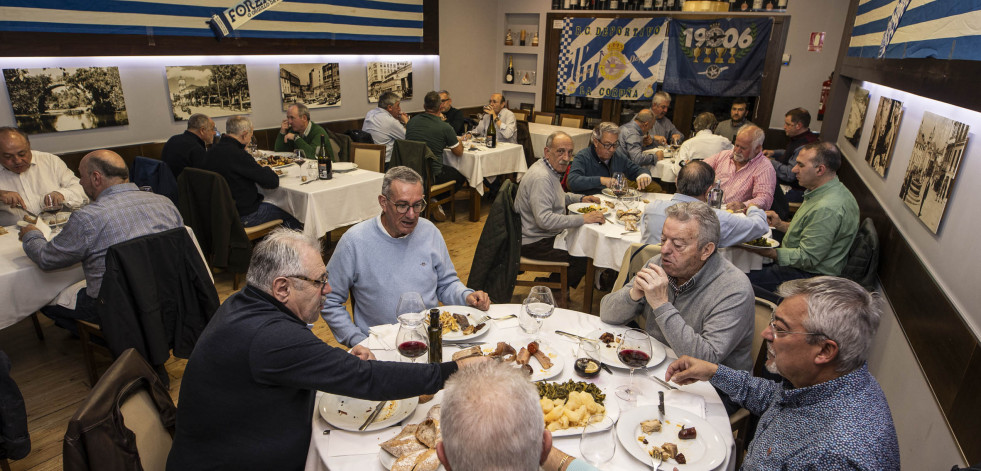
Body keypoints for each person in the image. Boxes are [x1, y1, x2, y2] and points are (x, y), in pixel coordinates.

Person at [166, 228, 486, 471]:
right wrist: (452, 370)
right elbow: (364, 379)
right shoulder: (269, 336)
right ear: (282, 287)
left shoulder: (245, 302)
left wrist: (329, 363)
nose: (329, 290)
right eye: (320, 281)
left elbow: (304, 363)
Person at [665, 276, 899, 470]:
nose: (766, 333)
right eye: (772, 323)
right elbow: (773, 397)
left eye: (780, 329)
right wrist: (714, 372)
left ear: (825, 350)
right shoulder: (830, 382)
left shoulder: (835, 454)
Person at [321, 166, 490, 347]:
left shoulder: (429, 232)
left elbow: (447, 284)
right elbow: (328, 300)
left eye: (417, 205)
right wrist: (358, 341)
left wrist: (466, 296)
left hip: (430, 339)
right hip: (381, 346)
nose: (411, 215)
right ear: (383, 202)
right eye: (402, 205)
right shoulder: (354, 242)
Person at [18, 150, 183, 334]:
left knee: (44, 299)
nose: (80, 182)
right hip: (167, 293)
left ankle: (114, 338)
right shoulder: (165, 203)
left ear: (96, 178)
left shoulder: (87, 218)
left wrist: (31, 235)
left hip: (115, 305)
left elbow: (47, 259)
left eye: (81, 176)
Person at [601, 201, 755, 372]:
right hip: (655, 367)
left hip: (708, 390)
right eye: (663, 239)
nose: (664, 250)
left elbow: (706, 360)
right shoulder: (659, 264)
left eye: (678, 245)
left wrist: (661, 305)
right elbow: (607, 314)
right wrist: (634, 293)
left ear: (706, 250)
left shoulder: (733, 289)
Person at [743, 142, 859, 299]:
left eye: (800, 165)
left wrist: (767, 252)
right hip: (801, 266)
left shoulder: (827, 207)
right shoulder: (824, 191)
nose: (794, 169)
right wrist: (781, 225)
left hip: (808, 277)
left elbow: (808, 258)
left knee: (738, 281)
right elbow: (813, 231)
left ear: (820, 170)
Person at [438, 360, 600, 471]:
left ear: (443, 457)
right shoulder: (544, 447)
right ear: (545, 448)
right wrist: (533, 445)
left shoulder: (444, 457)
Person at [515, 131, 604, 289]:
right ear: (547, 152)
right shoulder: (541, 178)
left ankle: (552, 284)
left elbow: (557, 196)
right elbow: (545, 220)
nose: (566, 157)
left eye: (570, 152)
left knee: (582, 243)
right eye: (560, 151)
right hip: (533, 242)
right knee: (585, 255)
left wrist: (580, 198)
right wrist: (584, 219)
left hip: (540, 236)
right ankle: (552, 288)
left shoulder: (547, 168)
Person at [204, 115, 301, 229]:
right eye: (251, 135)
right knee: (294, 214)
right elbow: (272, 182)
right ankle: (292, 246)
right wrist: (266, 168)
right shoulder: (238, 155)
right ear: (244, 134)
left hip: (219, 213)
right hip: (244, 215)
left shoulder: (211, 151)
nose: (250, 139)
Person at [640, 161, 767, 248]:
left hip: (649, 276)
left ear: (676, 182)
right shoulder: (716, 218)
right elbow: (760, 227)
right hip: (692, 284)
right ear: (708, 191)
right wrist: (753, 208)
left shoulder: (651, 209)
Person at [0, 127, 85, 225]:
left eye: (22, 154)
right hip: (13, 236)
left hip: (59, 230)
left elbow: (82, 190)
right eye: (8, 157)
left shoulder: (50, 161)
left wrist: (61, 194)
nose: (17, 161)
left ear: (29, 146)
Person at [405, 91, 468, 220]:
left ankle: (429, 200)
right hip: (432, 174)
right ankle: (434, 200)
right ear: (440, 107)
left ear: (424, 106)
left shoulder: (411, 122)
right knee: (462, 176)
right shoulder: (444, 127)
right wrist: (460, 140)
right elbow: (459, 152)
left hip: (411, 170)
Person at [566, 122, 653, 196]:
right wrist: (601, 180)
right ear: (596, 142)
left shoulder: (617, 156)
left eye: (615, 144)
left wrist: (643, 175)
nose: (612, 149)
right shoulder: (583, 157)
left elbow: (637, 170)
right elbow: (573, 182)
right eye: (607, 145)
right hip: (587, 205)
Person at [704, 125, 776, 211]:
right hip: (709, 207)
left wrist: (743, 205)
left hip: (735, 215)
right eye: (736, 145)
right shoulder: (724, 155)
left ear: (757, 148)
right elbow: (701, 168)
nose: (737, 151)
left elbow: (765, 198)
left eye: (743, 148)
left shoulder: (764, 167)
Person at [765, 107, 820, 202]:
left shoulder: (805, 146)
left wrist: (770, 161)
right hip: (792, 184)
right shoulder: (801, 138)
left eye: (787, 124)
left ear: (798, 125)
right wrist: (774, 152)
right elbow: (790, 153)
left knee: (763, 191)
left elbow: (789, 174)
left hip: (797, 190)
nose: (784, 127)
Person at [160, 113, 215, 179]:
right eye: (212, 129)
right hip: (183, 187)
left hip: (165, 184)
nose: (214, 133)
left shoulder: (173, 139)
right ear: (202, 131)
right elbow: (203, 179)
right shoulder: (196, 149)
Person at [362, 91, 409, 164]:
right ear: (390, 107)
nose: (399, 109)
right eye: (398, 106)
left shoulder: (370, 113)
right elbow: (408, 137)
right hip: (387, 163)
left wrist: (397, 120)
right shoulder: (390, 121)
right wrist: (406, 121)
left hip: (370, 160)